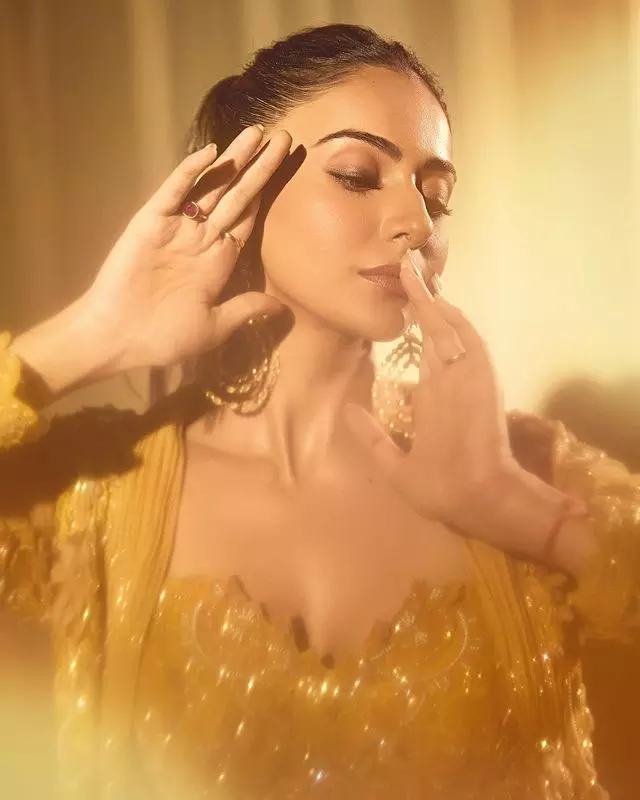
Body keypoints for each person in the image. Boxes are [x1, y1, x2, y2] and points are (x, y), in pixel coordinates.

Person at [1, 22, 638, 800]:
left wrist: (519, 510)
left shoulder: (524, 469)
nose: (418, 224)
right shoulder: (96, 495)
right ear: (237, 191)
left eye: (436, 195)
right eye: (358, 175)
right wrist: (92, 335)